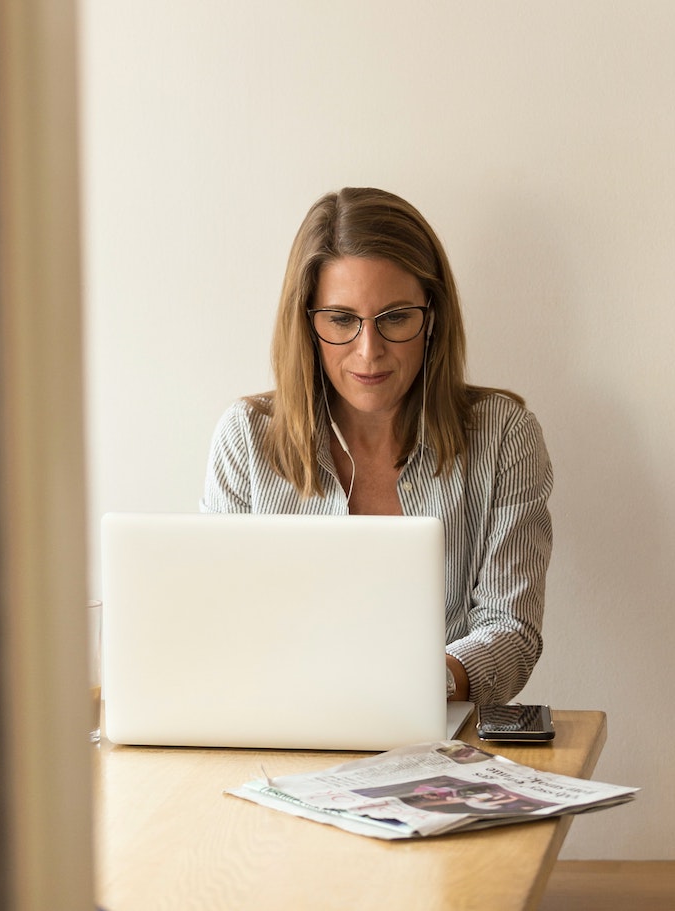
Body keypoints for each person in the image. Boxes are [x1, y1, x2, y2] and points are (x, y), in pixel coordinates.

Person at [201, 187, 553, 706]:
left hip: (436, 734)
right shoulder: (246, 438)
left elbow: (511, 630)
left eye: (395, 317)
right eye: (342, 320)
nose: (369, 351)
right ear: (307, 323)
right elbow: (218, 626)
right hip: (280, 729)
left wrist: (418, 686)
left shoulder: (503, 436)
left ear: (432, 317)